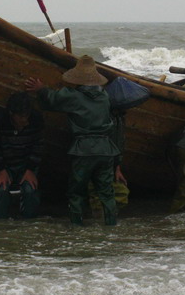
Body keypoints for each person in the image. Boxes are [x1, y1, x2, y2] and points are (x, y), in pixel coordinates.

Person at [24, 55, 120, 226]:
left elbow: (52, 100)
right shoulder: (104, 96)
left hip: (84, 150)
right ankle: (111, 226)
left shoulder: (73, 96)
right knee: (106, 192)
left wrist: (41, 89)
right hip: (106, 150)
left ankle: (77, 227)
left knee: (76, 192)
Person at [0, 92, 44, 219]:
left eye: (27, 116)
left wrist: (30, 169)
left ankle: (29, 224)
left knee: (30, 190)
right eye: (21, 117)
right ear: (11, 114)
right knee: (1, 190)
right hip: (4, 165)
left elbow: (38, 147)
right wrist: (1, 170)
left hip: (26, 164)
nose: (25, 120)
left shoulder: (36, 120)